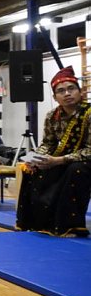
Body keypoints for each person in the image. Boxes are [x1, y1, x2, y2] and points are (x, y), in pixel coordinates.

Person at [16, 66, 91, 237]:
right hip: (65, 158)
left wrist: (59, 160)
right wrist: (36, 158)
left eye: (71, 89)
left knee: (75, 170)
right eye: (61, 91)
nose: (67, 93)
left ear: (80, 92)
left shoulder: (88, 114)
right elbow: (48, 143)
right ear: (55, 97)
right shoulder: (52, 116)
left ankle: (71, 225)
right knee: (30, 170)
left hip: (85, 161)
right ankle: (38, 223)